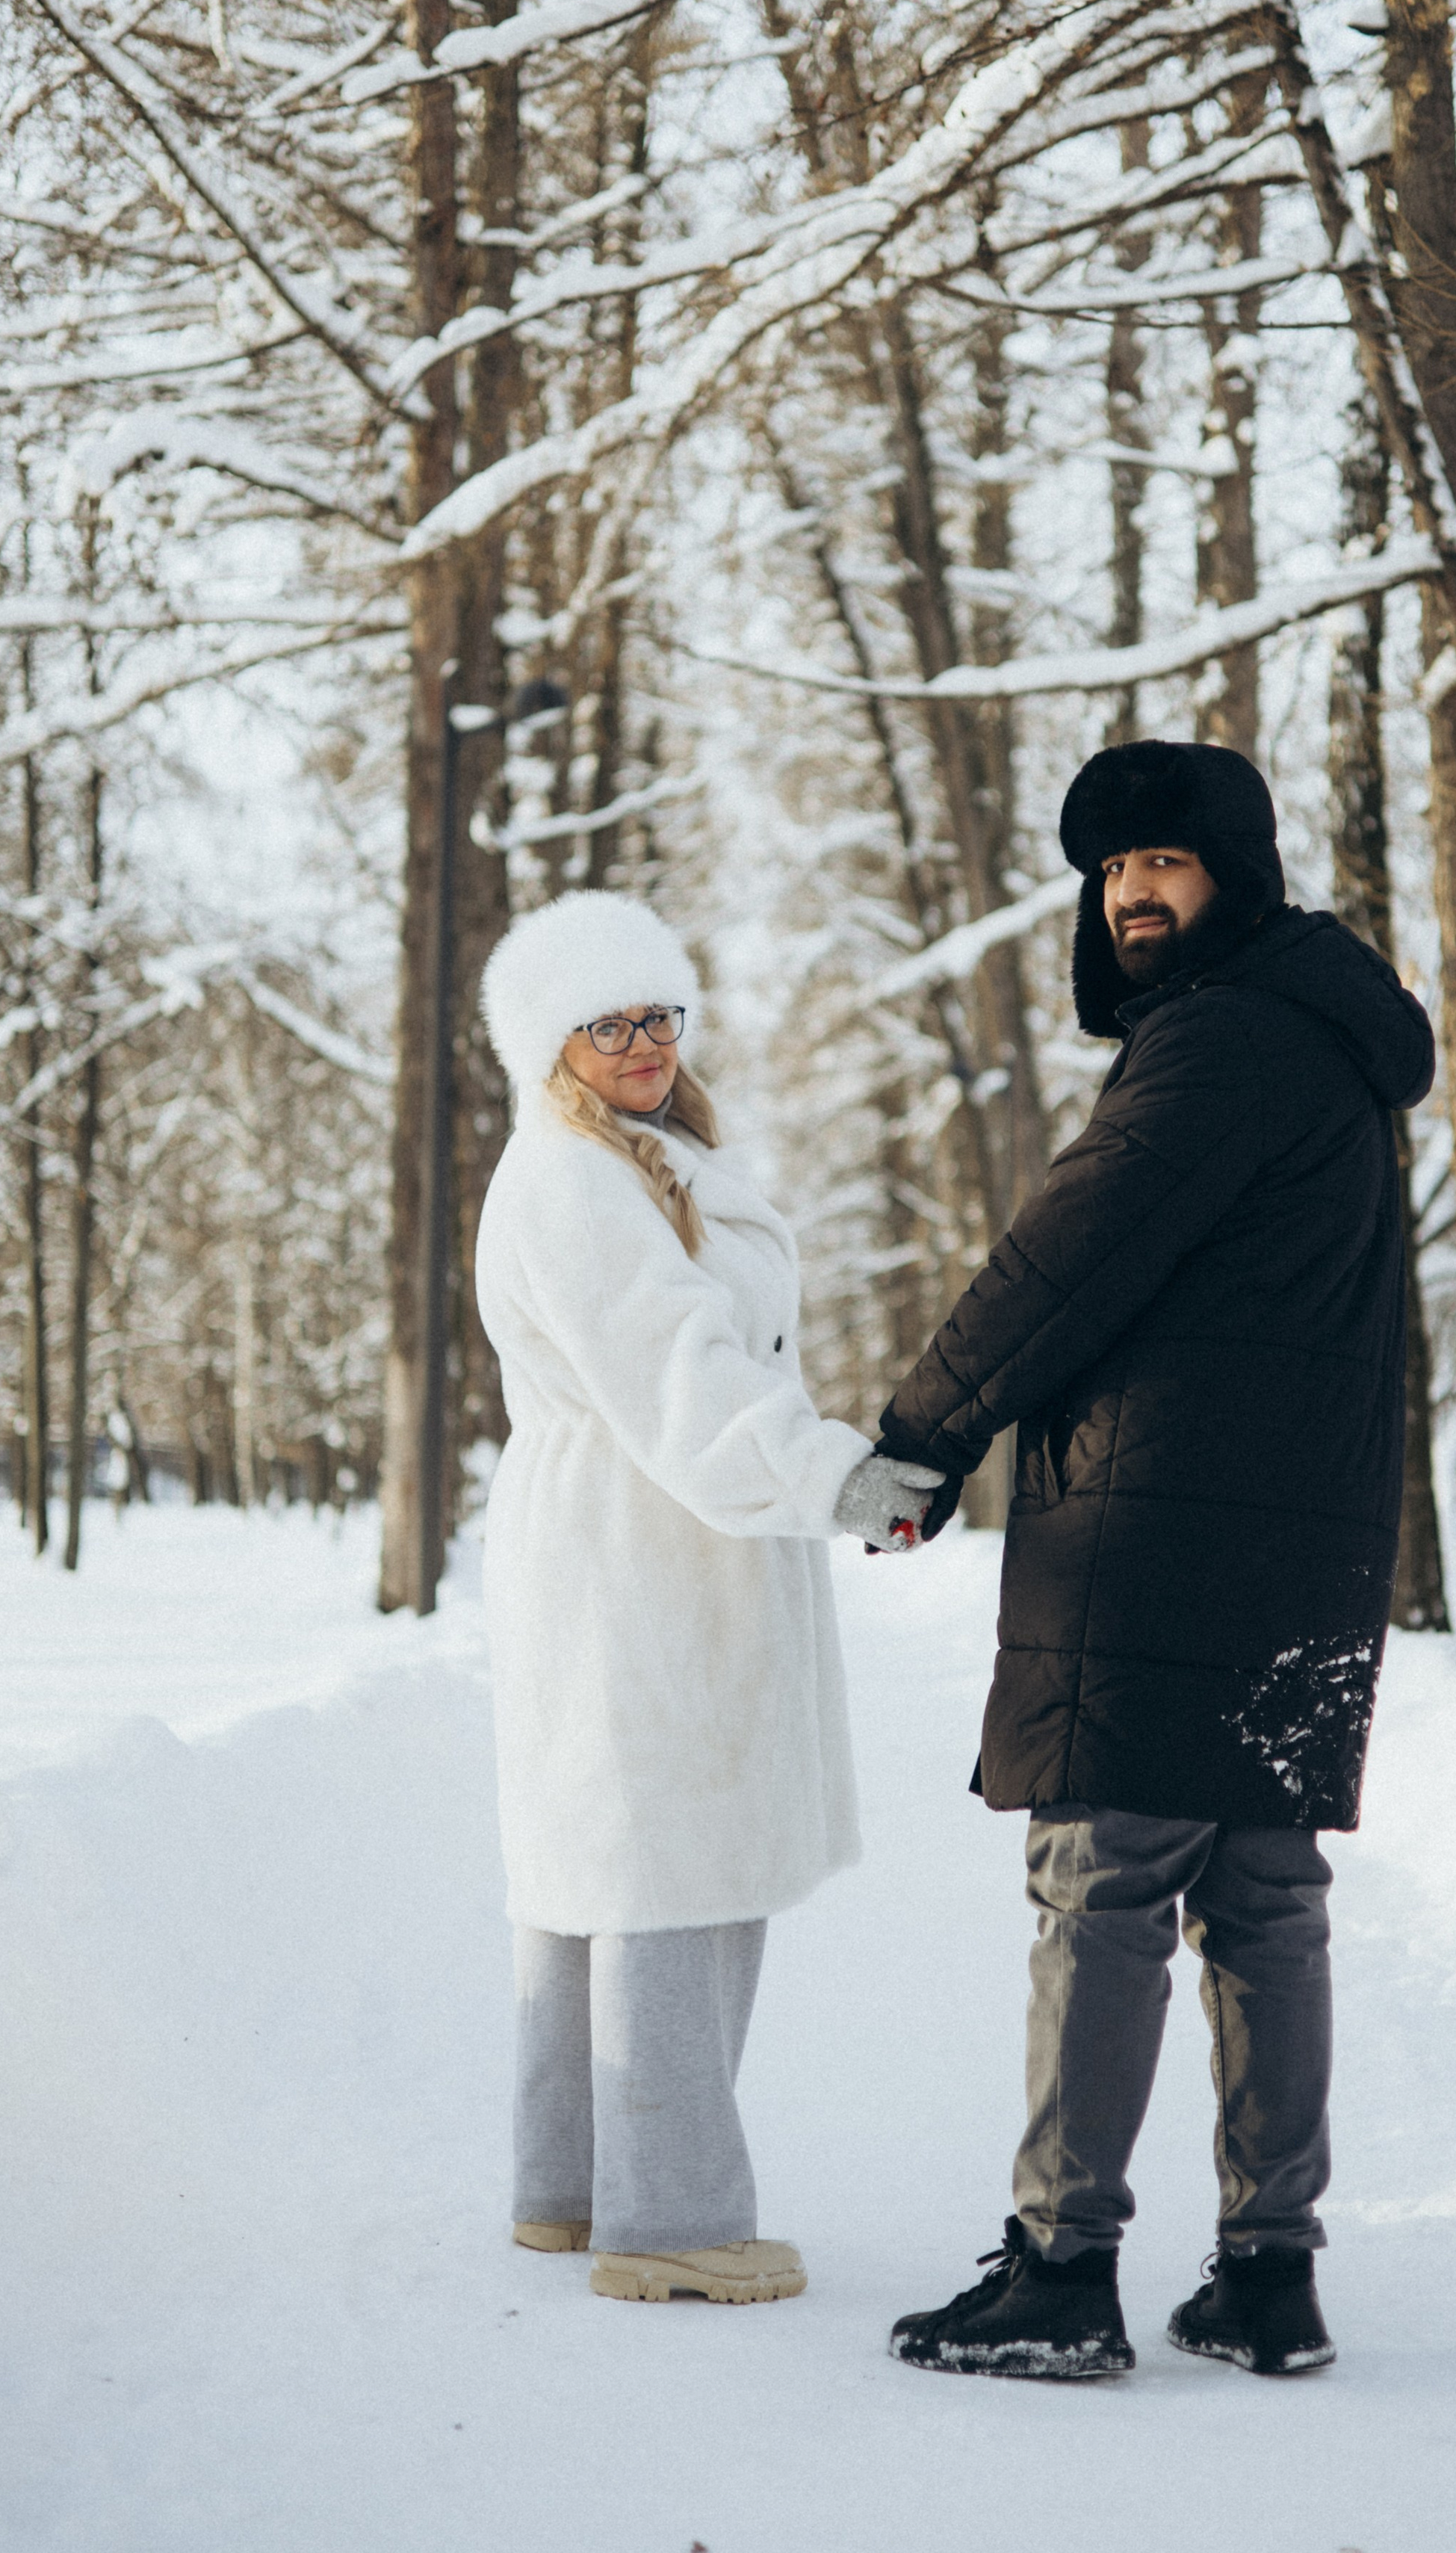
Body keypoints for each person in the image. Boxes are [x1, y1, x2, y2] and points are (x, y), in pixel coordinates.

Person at [875, 740, 1434, 2380]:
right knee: (1263, 1898)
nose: (1130, 891)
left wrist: (925, 1430)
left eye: (1164, 865)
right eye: (1110, 870)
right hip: (1304, 1541)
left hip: (1168, 1529)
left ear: (1235, 876)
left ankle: (1061, 2266)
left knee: (1103, 1887)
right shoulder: (1321, 1033)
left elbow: (1067, 1256)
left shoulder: (1221, 1040)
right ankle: (1267, 2277)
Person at [474, 889, 939, 2306]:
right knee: (673, 1861)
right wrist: (834, 1476)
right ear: (552, 1043)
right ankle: (669, 2218)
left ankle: (573, 2189)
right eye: (607, 1024)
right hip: (646, 1536)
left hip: (634, 1534)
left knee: (598, 1862)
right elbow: (683, 1375)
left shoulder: (629, 1158)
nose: (642, 1045)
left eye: (658, 1016)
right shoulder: (575, 1179)